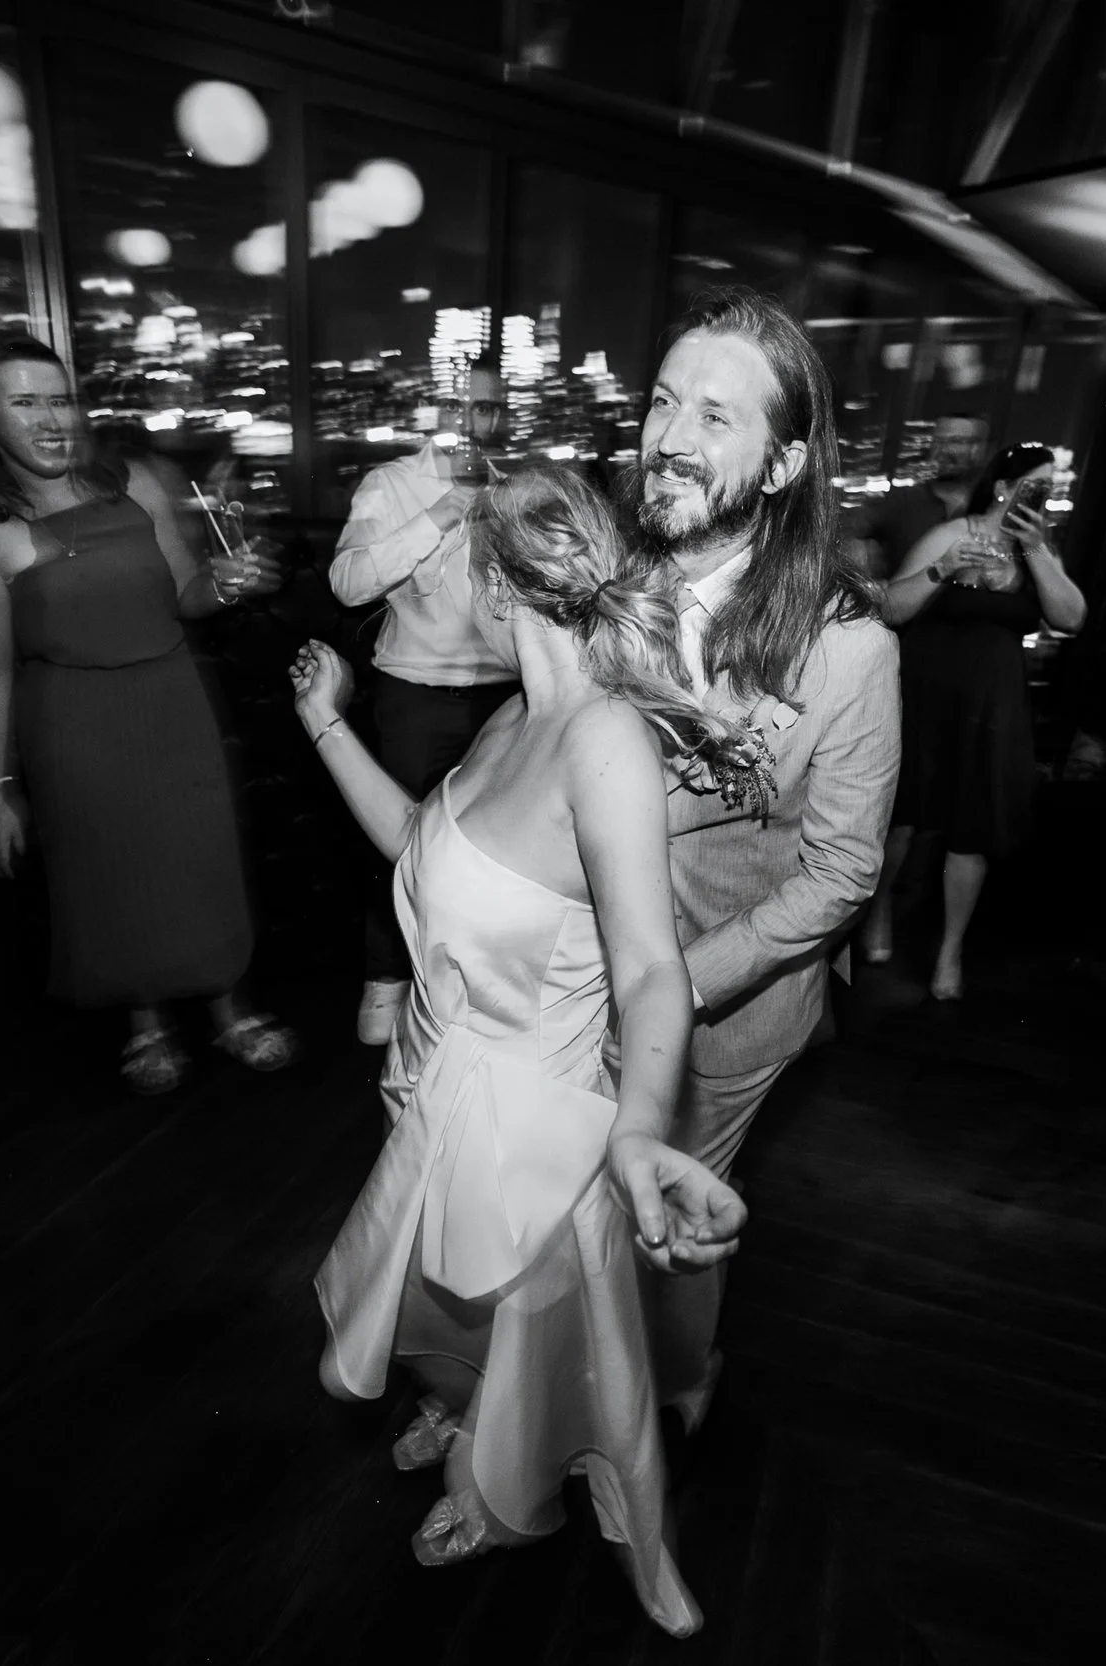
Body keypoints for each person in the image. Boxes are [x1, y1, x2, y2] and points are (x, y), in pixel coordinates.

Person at [290, 464, 749, 1634]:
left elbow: (651, 968)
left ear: (497, 585)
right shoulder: (515, 716)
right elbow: (422, 854)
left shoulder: (601, 742)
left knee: (545, 1336)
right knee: (447, 1295)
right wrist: (327, 725)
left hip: (537, 1130)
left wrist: (640, 1131)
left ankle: (519, 1497)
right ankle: (460, 1408)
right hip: (441, 1087)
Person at [629, 287, 903, 1422]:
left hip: (718, 1006)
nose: (670, 439)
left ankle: (672, 1390)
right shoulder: (610, 587)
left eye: (715, 416)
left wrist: (670, 986)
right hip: (562, 979)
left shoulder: (850, 651)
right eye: (661, 402)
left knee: (672, 1225)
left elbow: (841, 875)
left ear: (786, 464)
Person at [0, 332, 292, 1093]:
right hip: (74, 721)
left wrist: (227, 582)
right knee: (110, 870)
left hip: (171, 701)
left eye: (60, 399)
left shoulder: (131, 481)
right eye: (25, 402)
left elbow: (186, 595)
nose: (49, 419)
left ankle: (231, 1008)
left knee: (200, 858)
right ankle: (147, 1023)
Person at [329, 367, 520, 1047]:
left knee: (488, 847)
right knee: (399, 842)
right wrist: (441, 514)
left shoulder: (515, 490)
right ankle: (386, 976)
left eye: (490, 409)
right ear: (436, 409)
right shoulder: (392, 485)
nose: (475, 420)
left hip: (505, 694)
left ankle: (467, 982)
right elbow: (348, 584)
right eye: (461, 406)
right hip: (414, 692)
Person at [863, 440, 1087, 999]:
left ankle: (950, 951)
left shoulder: (1037, 550)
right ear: (1005, 486)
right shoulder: (951, 533)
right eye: (1035, 485)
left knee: (974, 829)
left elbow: (1072, 619)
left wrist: (1036, 550)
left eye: (1051, 489)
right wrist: (943, 569)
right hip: (928, 693)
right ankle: (877, 911)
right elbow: (890, 609)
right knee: (902, 818)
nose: (1043, 495)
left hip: (993, 703)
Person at [845, 411, 987, 582]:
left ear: (979, 450)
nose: (943, 450)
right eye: (938, 441)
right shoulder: (901, 501)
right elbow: (847, 537)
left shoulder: (989, 507)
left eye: (955, 441)